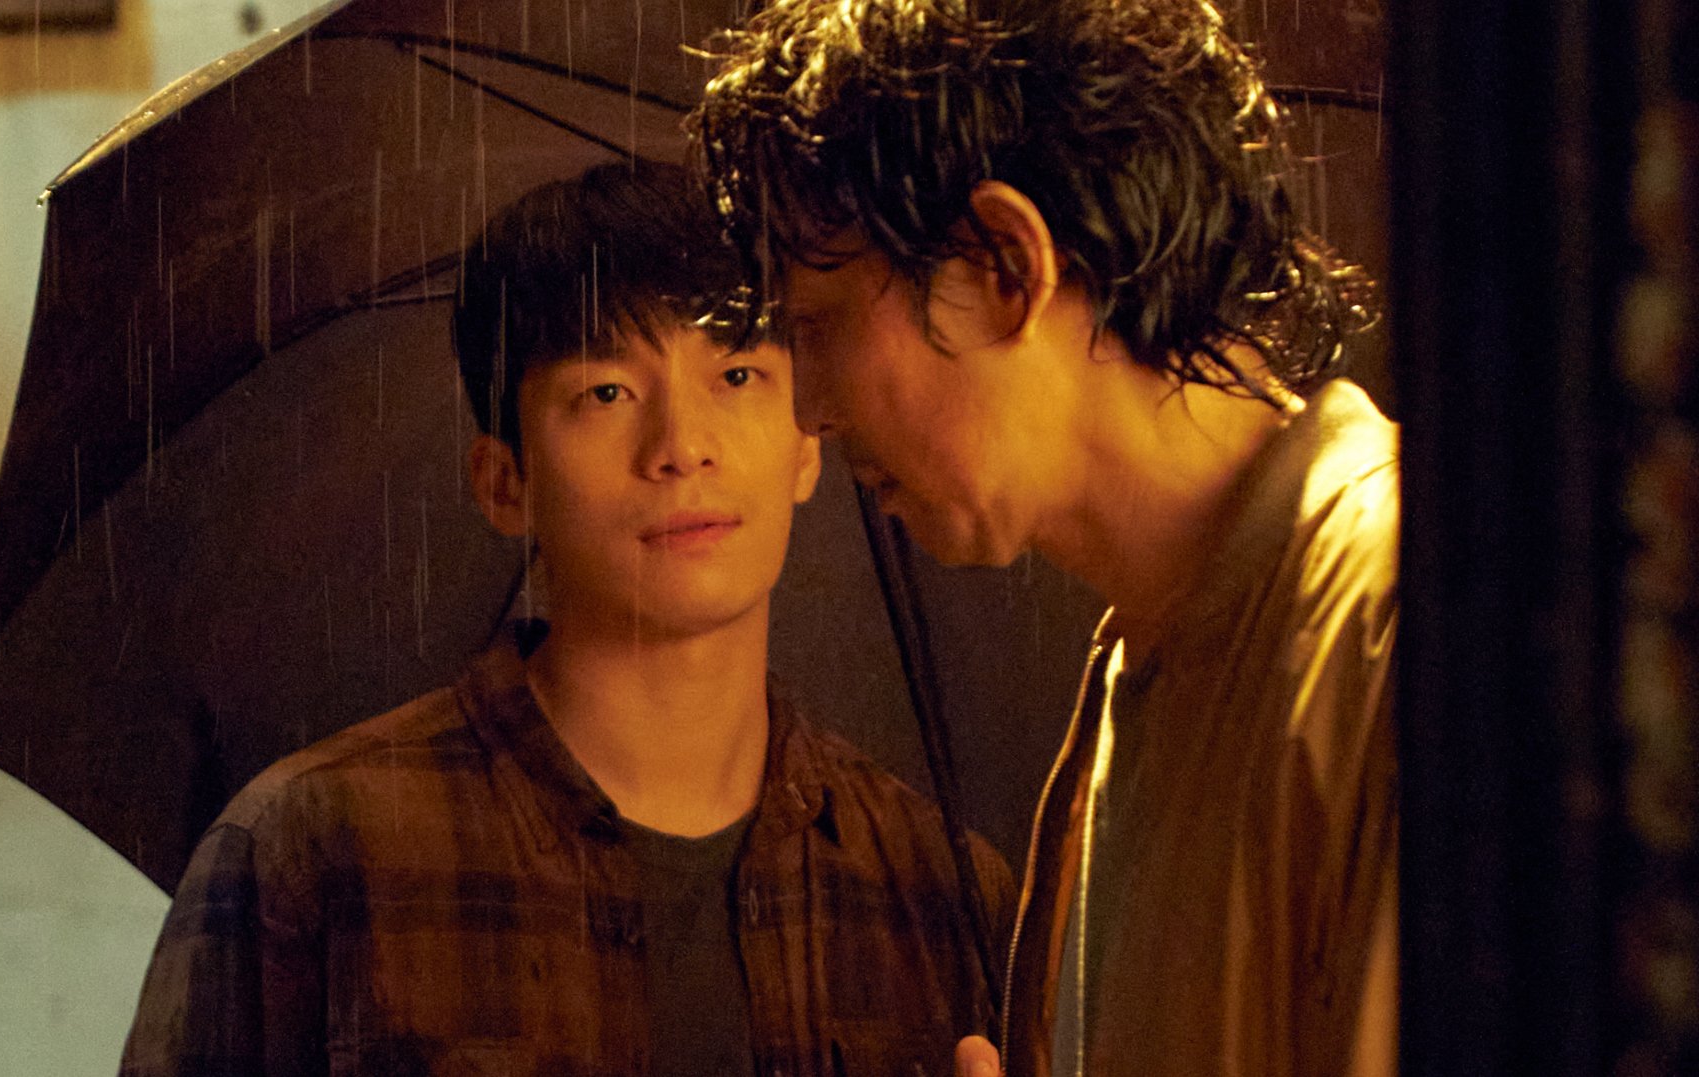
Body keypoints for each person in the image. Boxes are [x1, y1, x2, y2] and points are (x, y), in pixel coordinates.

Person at [116, 160, 1012, 1077]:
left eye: (737, 374)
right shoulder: (312, 852)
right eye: (606, 393)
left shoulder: (942, 890)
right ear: (504, 482)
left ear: (809, 440)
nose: (682, 447)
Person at [691, 2, 1398, 1075]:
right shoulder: (1135, 678)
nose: (810, 412)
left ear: (1004, 266)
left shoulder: (1387, 623)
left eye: (819, 324)